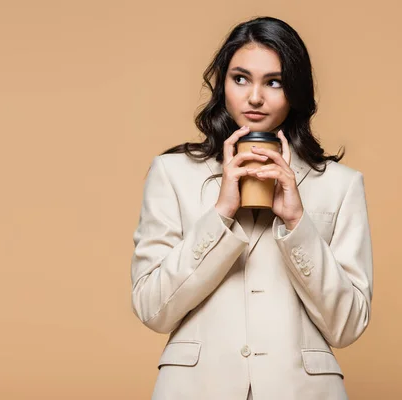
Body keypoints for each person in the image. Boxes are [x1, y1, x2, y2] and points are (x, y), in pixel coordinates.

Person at [130, 16, 373, 400]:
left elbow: (348, 325)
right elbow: (152, 308)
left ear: (295, 91)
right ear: (222, 84)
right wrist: (221, 213)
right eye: (240, 78)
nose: (255, 97)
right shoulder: (172, 174)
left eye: (273, 82)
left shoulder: (340, 185)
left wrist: (297, 224)